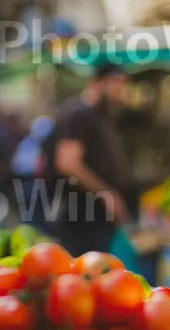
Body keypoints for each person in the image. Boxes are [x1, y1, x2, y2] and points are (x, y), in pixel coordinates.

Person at [42, 63, 131, 257]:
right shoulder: (78, 114)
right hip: (82, 214)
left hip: (95, 215)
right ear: (98, 84)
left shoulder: (99, 116)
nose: (120, 93)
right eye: (116, 86)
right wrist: (106, 194)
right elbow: (68, 163)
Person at [12, 115, 55, 235]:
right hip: (34, 183)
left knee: (29, 217)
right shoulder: (43, 146)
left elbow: (15, 164)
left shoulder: (25, 143)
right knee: (36, 218)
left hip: (24, 183)